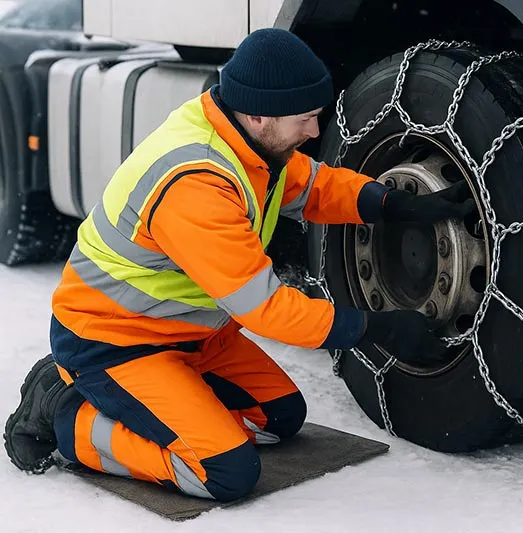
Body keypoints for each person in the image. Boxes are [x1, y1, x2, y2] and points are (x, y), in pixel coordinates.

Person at [3, 28, 473, 502]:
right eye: (306, 120)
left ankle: (163, 405)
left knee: (282, 418)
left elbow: (313, 187)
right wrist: (376, 328)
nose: (314, 132)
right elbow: (266, 309)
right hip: (116, 342)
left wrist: (395, 205)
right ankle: (65, 412)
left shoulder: (249, 142)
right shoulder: (196, 184)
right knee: (225, 471)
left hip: (196, 336)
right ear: (258, 116)